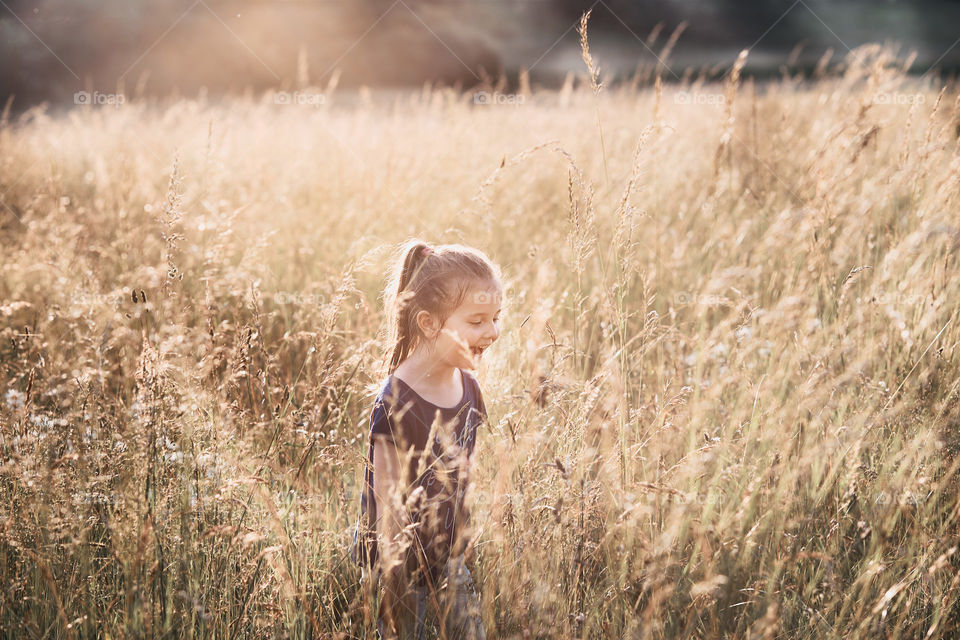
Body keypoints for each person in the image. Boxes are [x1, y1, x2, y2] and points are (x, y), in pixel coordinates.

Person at [350, 239, 503, 640]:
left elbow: (465, 477)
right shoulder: (397, 404)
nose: (492, 332)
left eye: (496, 318)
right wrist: (394, 586)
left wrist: (463, 542)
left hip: (448, 556)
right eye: (477, 321)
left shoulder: (468, 387)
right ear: (429, 323)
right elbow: (387, 513)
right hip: (397, 566)